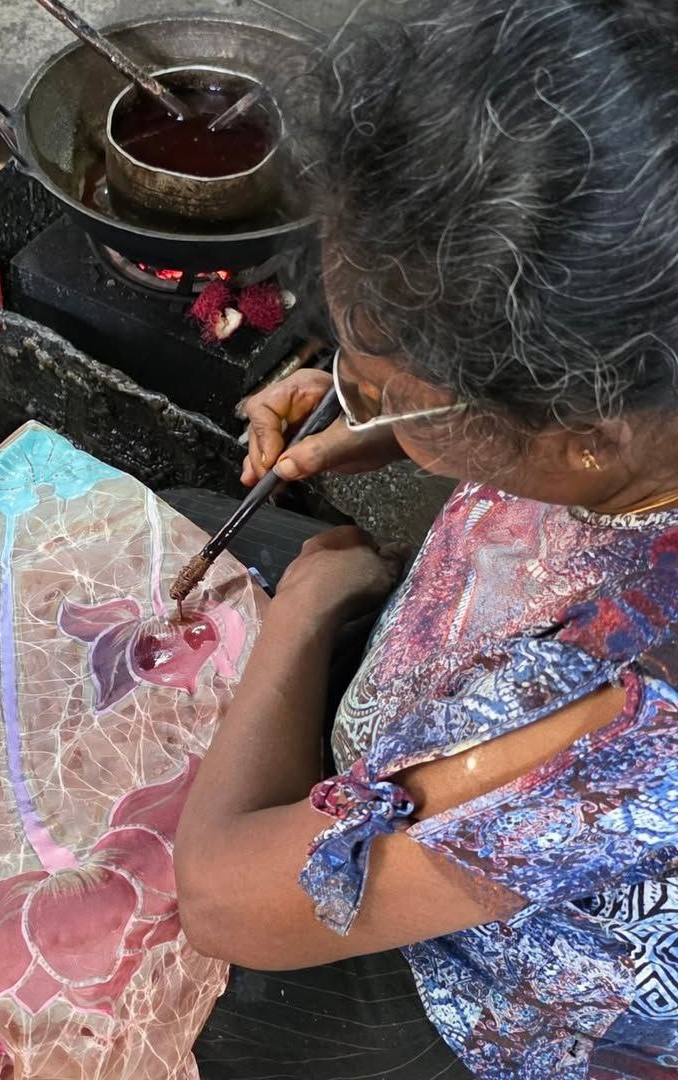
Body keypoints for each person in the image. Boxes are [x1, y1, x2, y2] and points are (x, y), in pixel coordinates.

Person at [174, 2, 678, 1077]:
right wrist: (394, 416)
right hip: (473, 649)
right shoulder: (640, 392)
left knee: (209, 1009)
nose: (344, 396)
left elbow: (221, 901)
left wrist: (313, 603)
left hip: (488, 979)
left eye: (378, 384)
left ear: (580, 433)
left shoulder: (614, 718)